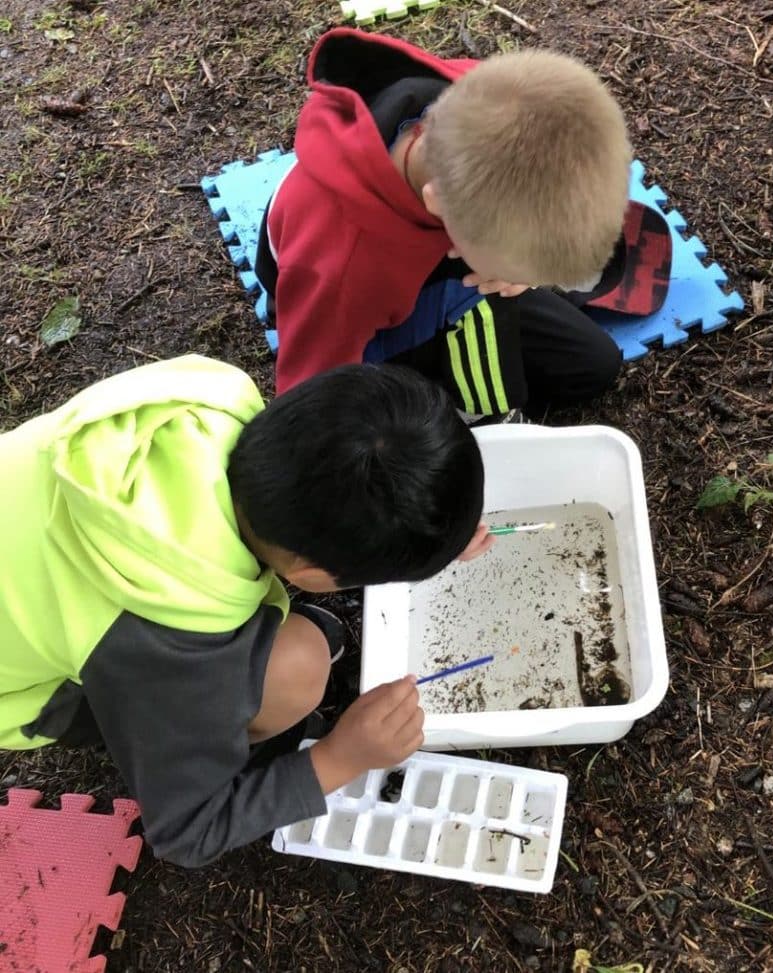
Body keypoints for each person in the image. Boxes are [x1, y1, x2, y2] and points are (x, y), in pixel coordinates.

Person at [0, 355, 489, 868]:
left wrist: (424, 538)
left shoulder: (207, 401)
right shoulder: (168, 646)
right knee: (297, 671)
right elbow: (188, 832)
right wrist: (342, 756)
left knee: (298, 645)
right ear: (309, 574)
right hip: (27, 689)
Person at [255, 27, 634, 417]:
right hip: (354, 309)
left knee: (591, 366)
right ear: (439, 207)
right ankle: (482, 414)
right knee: (475, 320)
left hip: (436, 260)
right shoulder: (342, 265)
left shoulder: (489, 104)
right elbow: (309, 401)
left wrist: (518, 273)